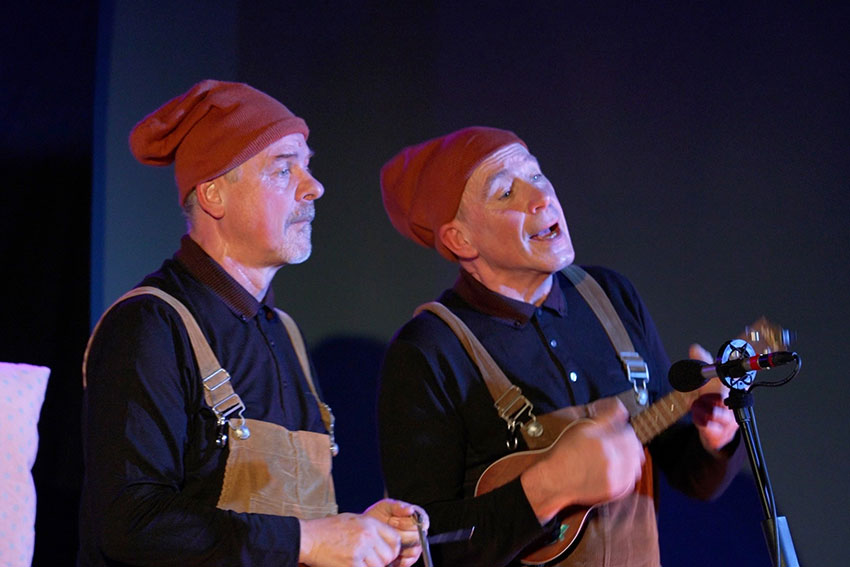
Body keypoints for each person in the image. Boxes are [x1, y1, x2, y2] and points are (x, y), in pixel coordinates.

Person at [79, 80, 427, 567]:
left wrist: (359, 536)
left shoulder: (284, 332)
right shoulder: (149, 325)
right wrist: (307, 541)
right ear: (214, 195)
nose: (314, 187)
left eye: (308, 166)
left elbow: (282, 521)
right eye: (284, 169)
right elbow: (132, 522)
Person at [377, 126, 744, 566]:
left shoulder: (610, 296)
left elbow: (688, 472)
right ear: (460, 239)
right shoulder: (428, 351)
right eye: (506, 193)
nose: (541, 197)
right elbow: (420, 545)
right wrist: (547, 488)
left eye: (537, 175)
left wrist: (715, 434)